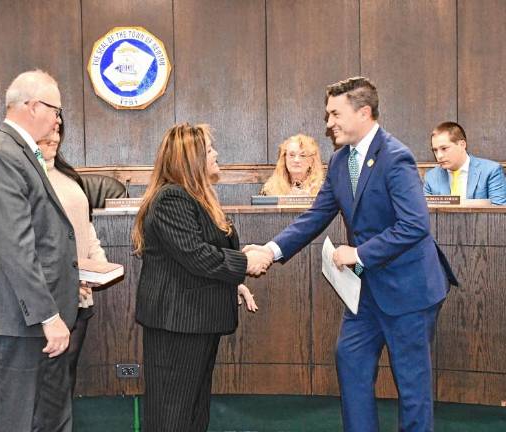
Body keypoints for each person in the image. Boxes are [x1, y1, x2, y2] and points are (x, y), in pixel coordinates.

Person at [244, 77, 457, 431]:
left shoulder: (396, 156)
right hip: (365, 295)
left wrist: (359, 254)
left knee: (411, 386)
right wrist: (270, 249)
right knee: (351, 361)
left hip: (409, 291)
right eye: (328, 115)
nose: (329, 123)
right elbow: (316, 215)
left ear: (364, 112)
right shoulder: (341, 160)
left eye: (335, 114)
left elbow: (415, 225)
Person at [132, 123, 271, 432]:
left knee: (193, 413)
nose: (216, 154)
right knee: (172, 416)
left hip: (196, 320)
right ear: (191, 158)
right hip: (178, 325)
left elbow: (203, 254)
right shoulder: (172, 199)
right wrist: (245, 262)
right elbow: (196, 255)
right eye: (209, 149)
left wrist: (234, 283)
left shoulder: (196, 198)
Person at [0, 70, 79, 431]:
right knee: (14, 421)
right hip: (16, 318)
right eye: (55, 109)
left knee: (43, 418)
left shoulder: (19, 152)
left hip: (27, 316)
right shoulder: (2, 156)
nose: (58, 119)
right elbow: (16, 249)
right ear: (33, 106)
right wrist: (49, 316)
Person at [36, 120, 106, 395]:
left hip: (80, 290)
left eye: (57, 130)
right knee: (46, 376)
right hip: (46, 294)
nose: (54, 136)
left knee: (67, 371)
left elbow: (85, 227)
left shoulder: (69, 176)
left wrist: (98, 267)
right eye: (48, 129)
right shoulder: (26, 177)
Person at [423, 121, 506, 205]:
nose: (439, 156)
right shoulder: (431, 177)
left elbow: (498, 212)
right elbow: (425, 212)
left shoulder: (491, 171)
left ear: (462, 145)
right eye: (435, 150)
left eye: (444, 148)